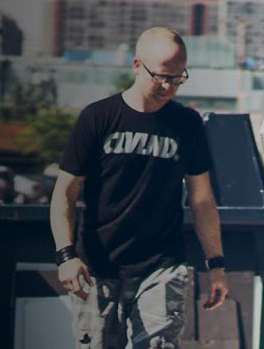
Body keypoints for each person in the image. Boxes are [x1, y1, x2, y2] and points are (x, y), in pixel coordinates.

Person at [49, 27, 230, 349]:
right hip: (97, 266)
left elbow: (202, 200)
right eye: (161, 76)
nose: (168, 86)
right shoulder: (97, 118)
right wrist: (66, 256)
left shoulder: (187, 125)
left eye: (178, 78)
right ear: (136, 65)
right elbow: (65, 191)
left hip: (162, 266)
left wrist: (216, 265)